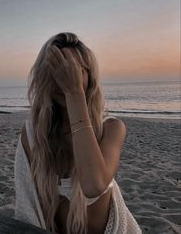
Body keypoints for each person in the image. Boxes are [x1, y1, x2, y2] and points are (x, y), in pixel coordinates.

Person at [14, 32, 142, 234]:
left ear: (90, 78)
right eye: (56, 70)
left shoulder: (111, 128)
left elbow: (93, 185)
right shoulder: (33, 133)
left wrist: (74, 93)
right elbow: (28, 207)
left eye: (73, 71)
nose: (63, 80)